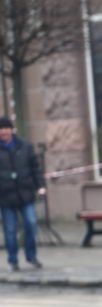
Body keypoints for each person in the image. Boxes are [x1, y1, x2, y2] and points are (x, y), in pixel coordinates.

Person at [0, 116, 46, 271]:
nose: (4, 132)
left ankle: (31, 256)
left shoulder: (25, 146)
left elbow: (35, 168)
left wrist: (40, 186)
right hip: (6, 196)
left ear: (11, 130)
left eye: (6, 128)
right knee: (10, 229)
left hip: (25, 193)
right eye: (1, 129)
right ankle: (13, 260)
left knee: (31, 223)